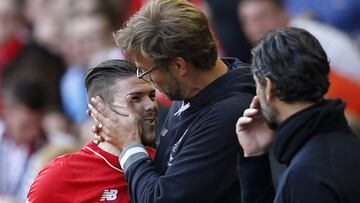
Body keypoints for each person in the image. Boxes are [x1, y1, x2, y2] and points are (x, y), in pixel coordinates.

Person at [88, 0, 255, 202]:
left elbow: (161, 198)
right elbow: (173, 164)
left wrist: (129, 144)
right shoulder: (190, 91)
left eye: (147, 71)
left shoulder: (230, 115)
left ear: (179, 66)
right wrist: (126, 133)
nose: (146, 79)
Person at [236, 27, 360, 203]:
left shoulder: (307, 177)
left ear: (270, 88)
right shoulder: (344, 141)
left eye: (257, 84)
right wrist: (255, 157)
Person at [26, 59, 157, 203]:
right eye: (136, 99)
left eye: (152, 96)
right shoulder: (64, 174)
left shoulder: (168, 162)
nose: (150, 105)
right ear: (99, 111)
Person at [237, 0, 360, 134]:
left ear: (284, 13)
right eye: (247, 21)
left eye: (262, 17)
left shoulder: (316, 42)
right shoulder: (270, 50)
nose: (255, 28)